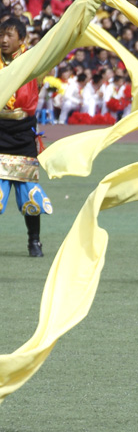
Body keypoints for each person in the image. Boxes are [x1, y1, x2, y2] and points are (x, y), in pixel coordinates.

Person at [0, 17, 52, 256]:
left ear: (22, 39)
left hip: (23, 136)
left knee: (30, 196)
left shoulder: (33, 62)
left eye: (10, 35)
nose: (3, 40)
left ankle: (34, 241)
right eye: (2, 35)